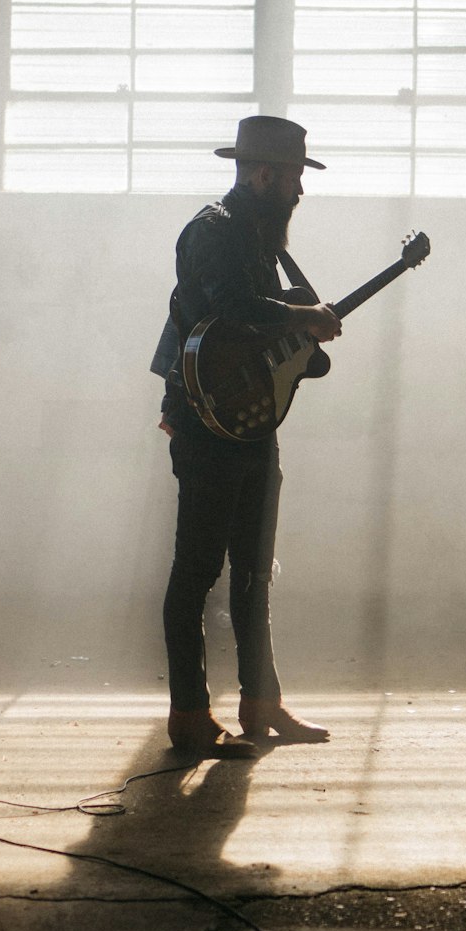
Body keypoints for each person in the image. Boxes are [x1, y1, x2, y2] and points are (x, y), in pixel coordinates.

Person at [154, 116, 342, 759]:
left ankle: (262, 704)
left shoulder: (263, 240)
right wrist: (301, 317)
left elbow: (258, 339)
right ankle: (188, 715)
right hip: (207, 429)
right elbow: (229, 306)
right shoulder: (212, 231)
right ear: (263, 174)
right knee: (197, 572)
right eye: (292, 177)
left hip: (254, 426)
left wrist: (300, 348)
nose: (298, 191)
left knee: (254, 574)